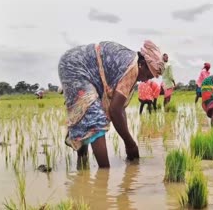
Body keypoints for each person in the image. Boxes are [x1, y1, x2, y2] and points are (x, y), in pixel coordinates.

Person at [58, 40, 165, 168]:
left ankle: (82, 168)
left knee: (86, 118)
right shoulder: (132, 67)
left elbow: (120, 109)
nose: (146, 79)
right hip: (75, 66)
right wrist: (130, 144)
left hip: (73, 62)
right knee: (94, 119)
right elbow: (115, 111)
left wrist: (129, 142)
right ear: (142, 64)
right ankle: (104, 174)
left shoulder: (130, 63)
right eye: (148, 75)